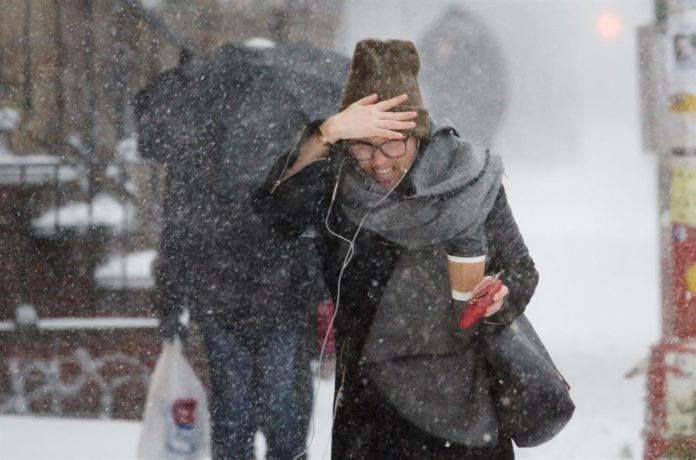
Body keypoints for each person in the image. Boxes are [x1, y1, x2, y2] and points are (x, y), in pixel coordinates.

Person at [253, 39, 539, 459]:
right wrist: (326, 132)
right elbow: (272, 210)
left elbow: (521, 271)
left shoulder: (467, 179)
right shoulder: (336, 184)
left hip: (463, 406)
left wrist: (500, 297)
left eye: (393, 143)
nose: (379, 161)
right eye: (363, 145)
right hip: (370, 412)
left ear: (418, 135)